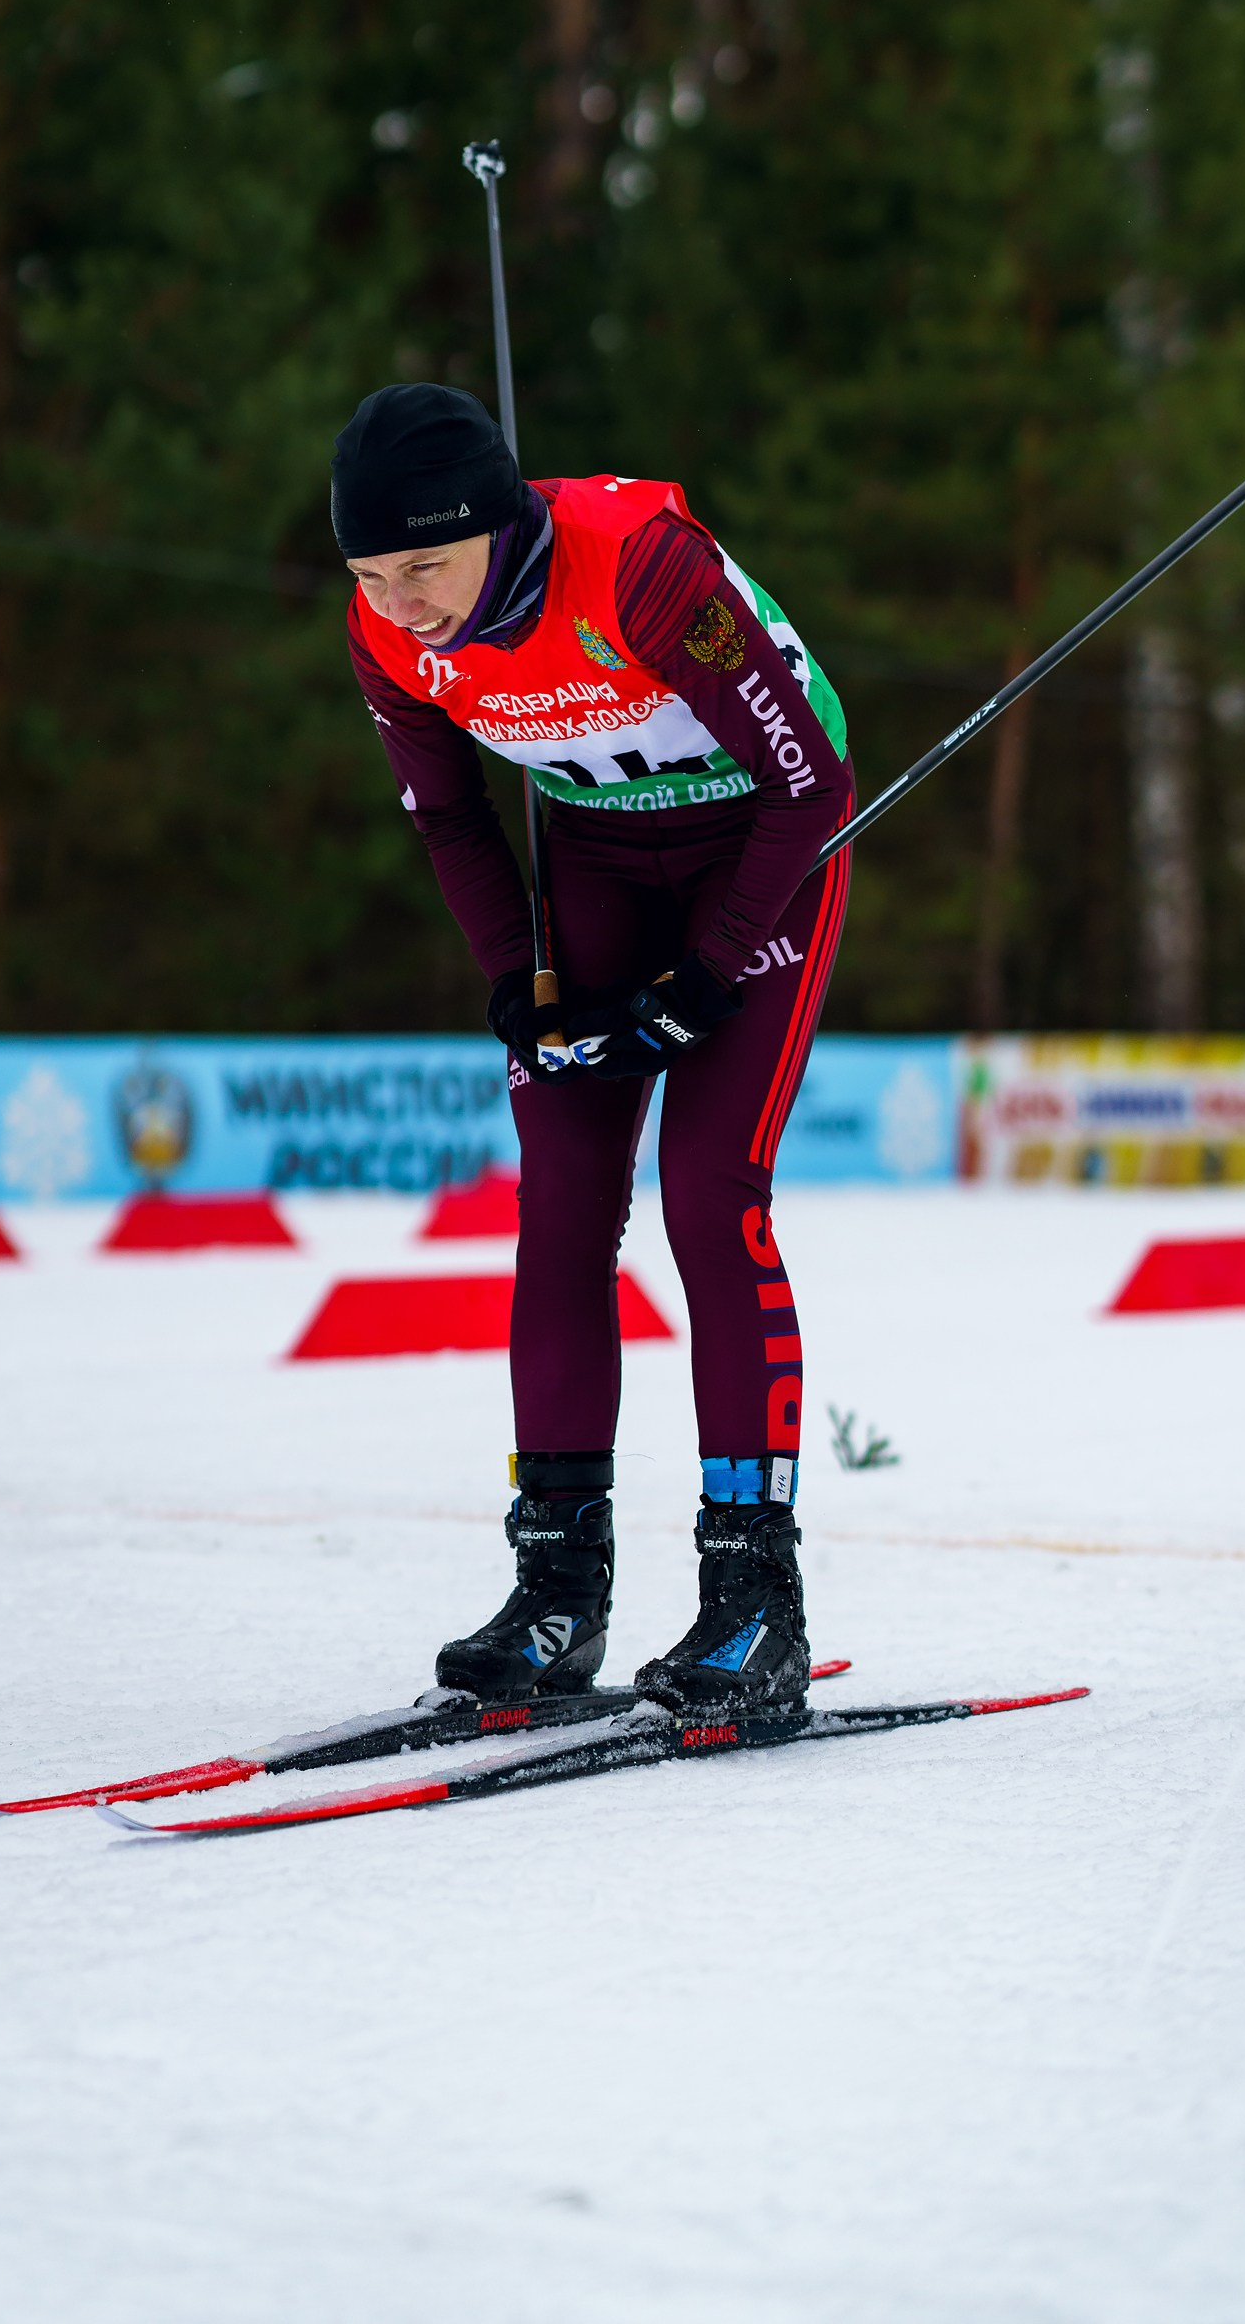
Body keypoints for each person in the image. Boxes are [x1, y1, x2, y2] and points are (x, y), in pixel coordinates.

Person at [333, 382, 852, 1718]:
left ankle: (754, 1602)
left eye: (424, 568)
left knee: (709, 1195)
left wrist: (711, 971)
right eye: (372, 576)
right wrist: (518, 978)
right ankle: (558, 1591)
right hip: (602, 862)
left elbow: (812, 785)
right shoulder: (389, 635)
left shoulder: (643, 571)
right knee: (562, 1205)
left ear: (496, 526)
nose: (402, 605)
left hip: (760, 851)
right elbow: (451, 820)